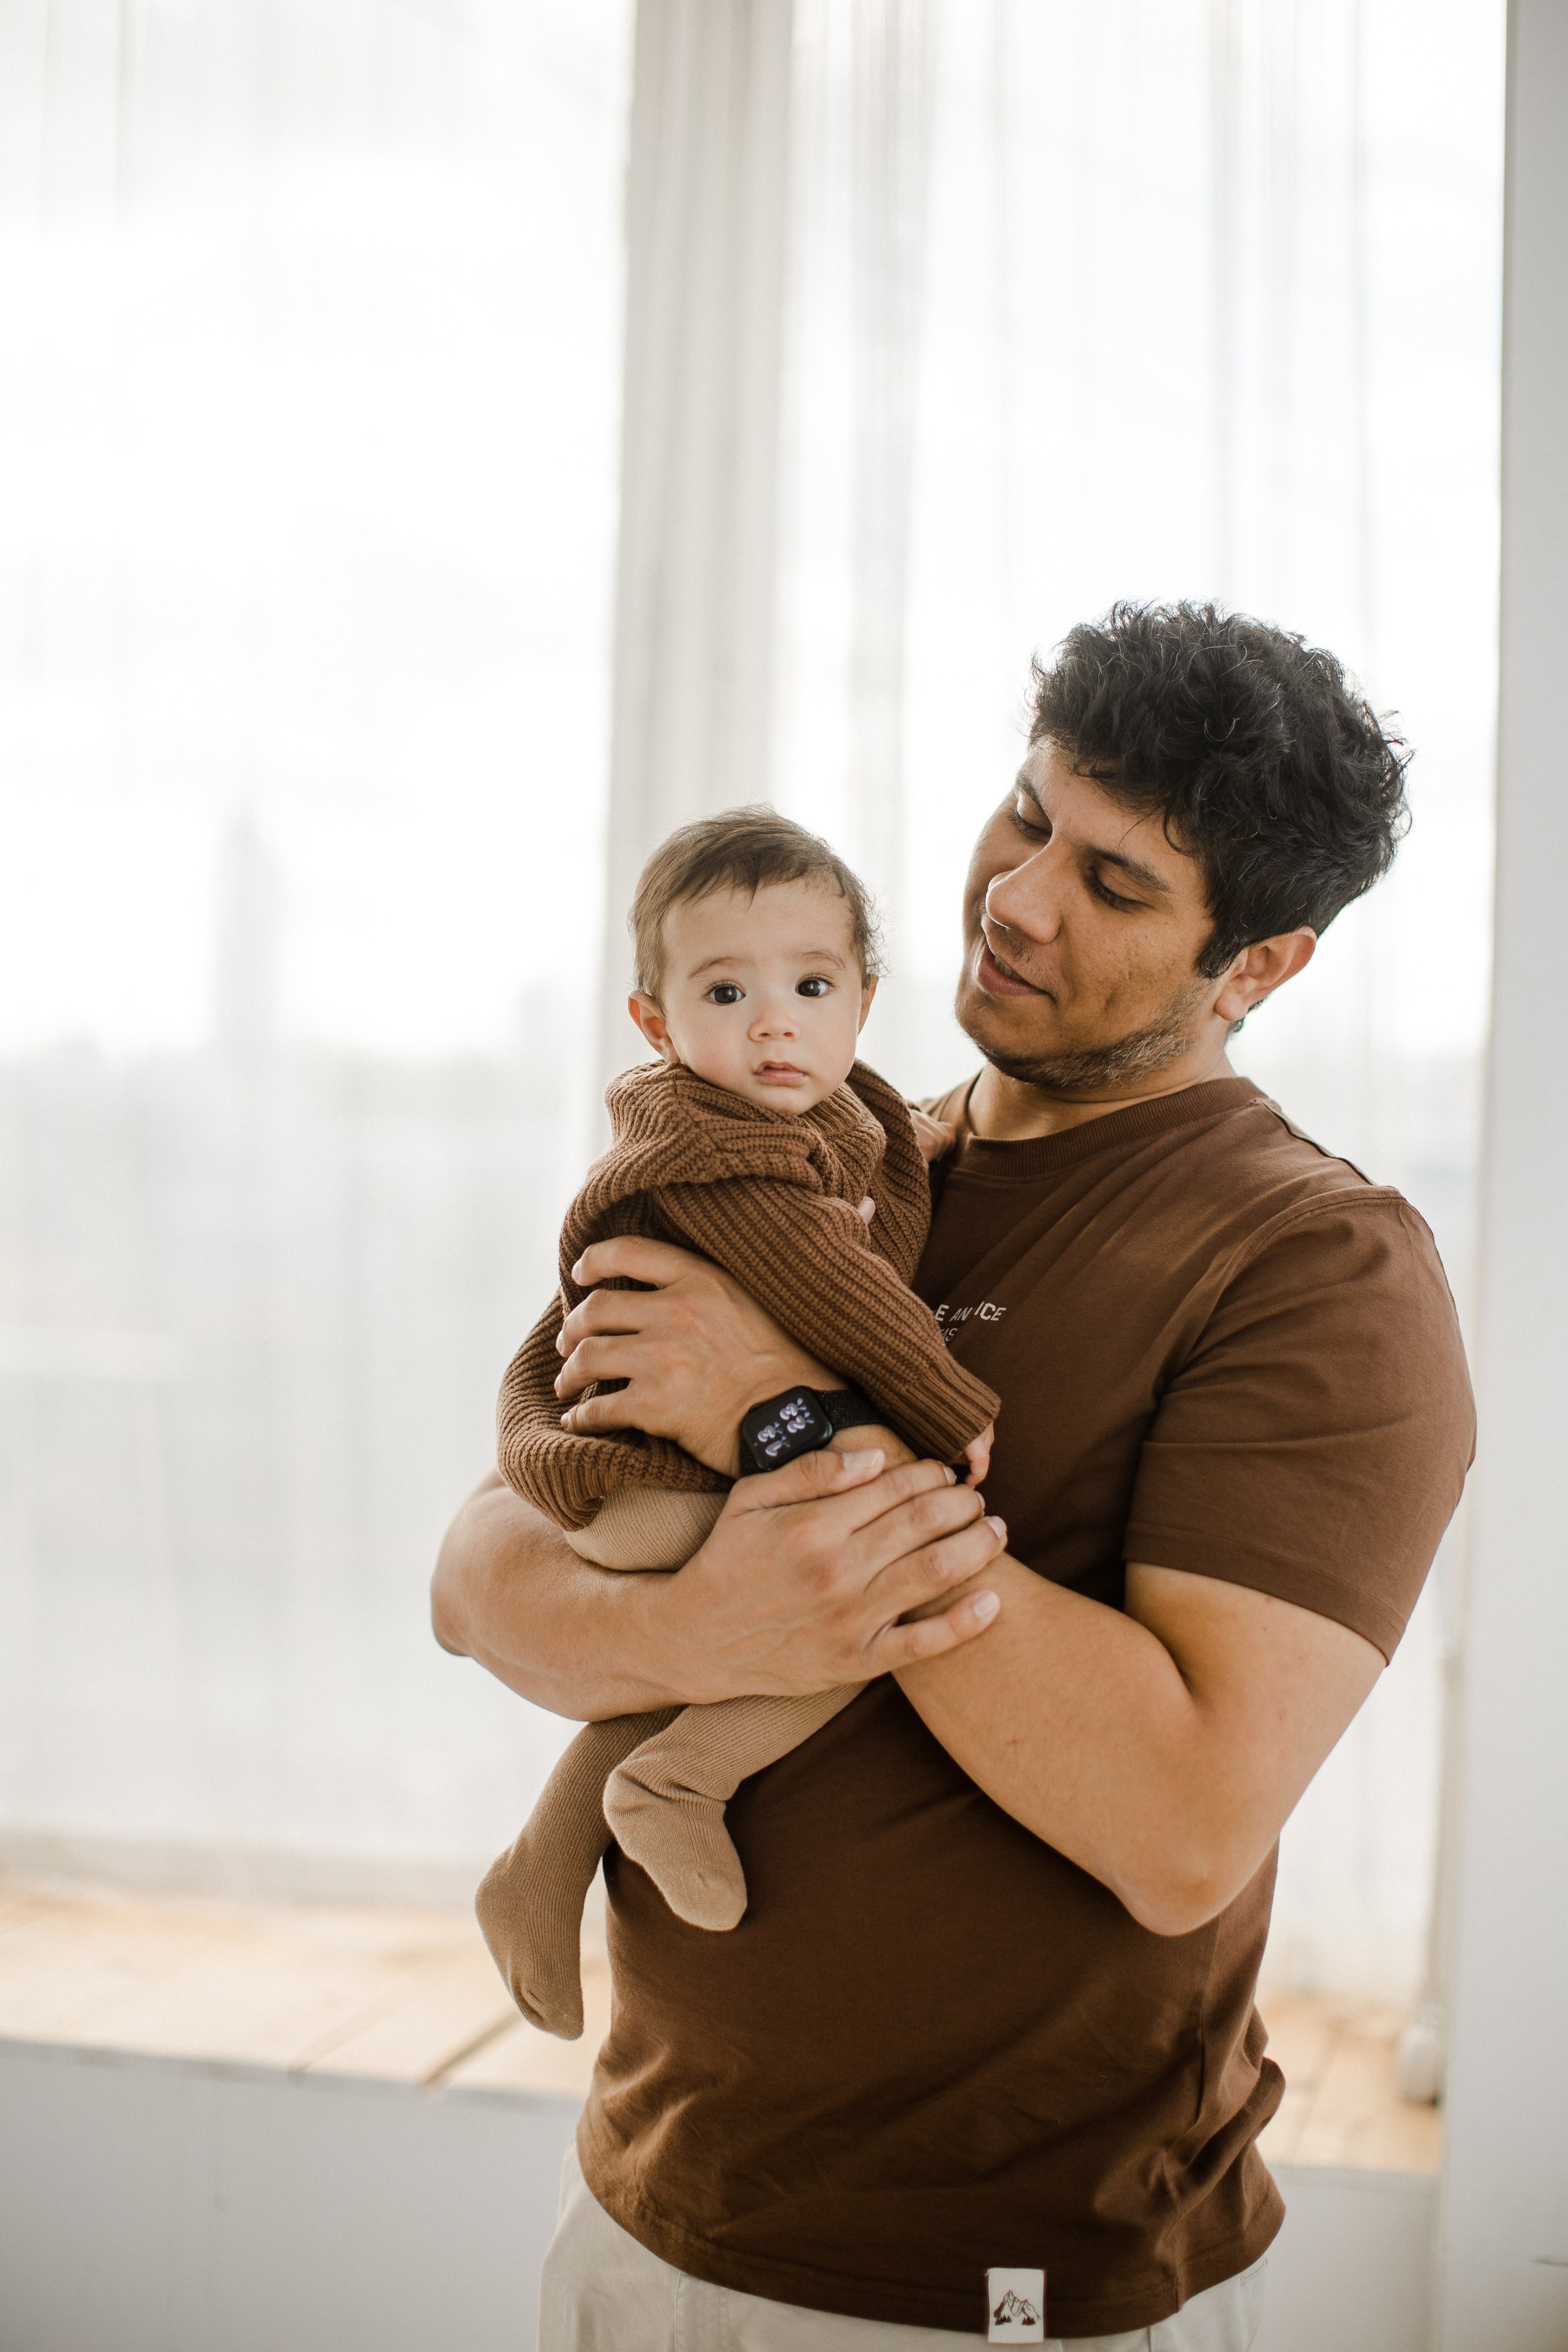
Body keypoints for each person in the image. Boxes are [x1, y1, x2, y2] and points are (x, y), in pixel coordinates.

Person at [432, 603, 1474, 2351]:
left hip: (997, 2285)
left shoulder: (1316, 1266)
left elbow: (1181, 1824)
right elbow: (480, 1582)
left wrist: (788, 1427)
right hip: (646, 2200)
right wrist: (703, 1606)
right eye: (1025, 811)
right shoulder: (827, 1150)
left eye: (1119, 884)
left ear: (1264, 962)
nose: (1017, 894)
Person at [477, 809, 996, 2041]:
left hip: (657, 1470)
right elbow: (842, 1298)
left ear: (861, 1001)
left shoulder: (827, 1121)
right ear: (654, 1023)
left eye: (809, 985)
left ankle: (536, 1874)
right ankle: (680, 1775)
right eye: (724, 991)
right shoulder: (723, 1152)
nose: (773, 1021)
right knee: (857, 1604)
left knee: (706, 1653)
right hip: (649, 1483)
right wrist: (947, 1413)